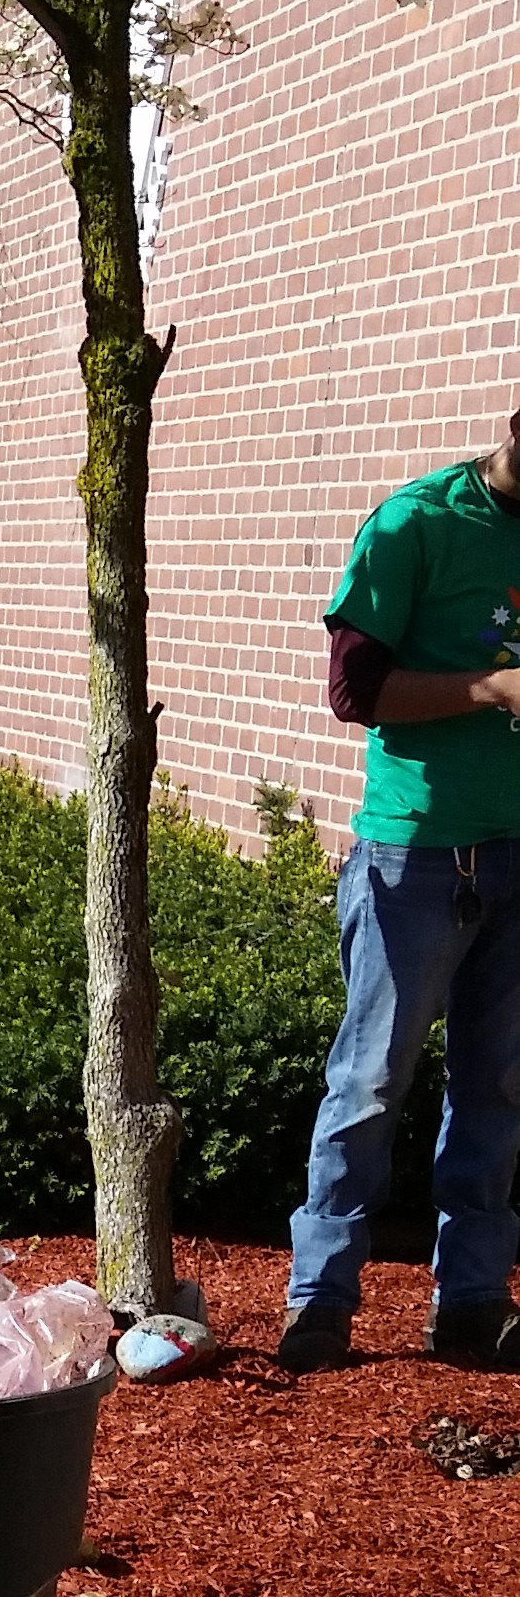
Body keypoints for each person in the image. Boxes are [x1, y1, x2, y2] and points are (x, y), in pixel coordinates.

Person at [282, 416, 520, 1372]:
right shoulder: (414, 524)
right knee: (371, 1081)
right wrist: (492, 691)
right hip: (417, 856)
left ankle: (470, 1303)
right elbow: (354, 689)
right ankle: (320, 1302)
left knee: (499, 1089)